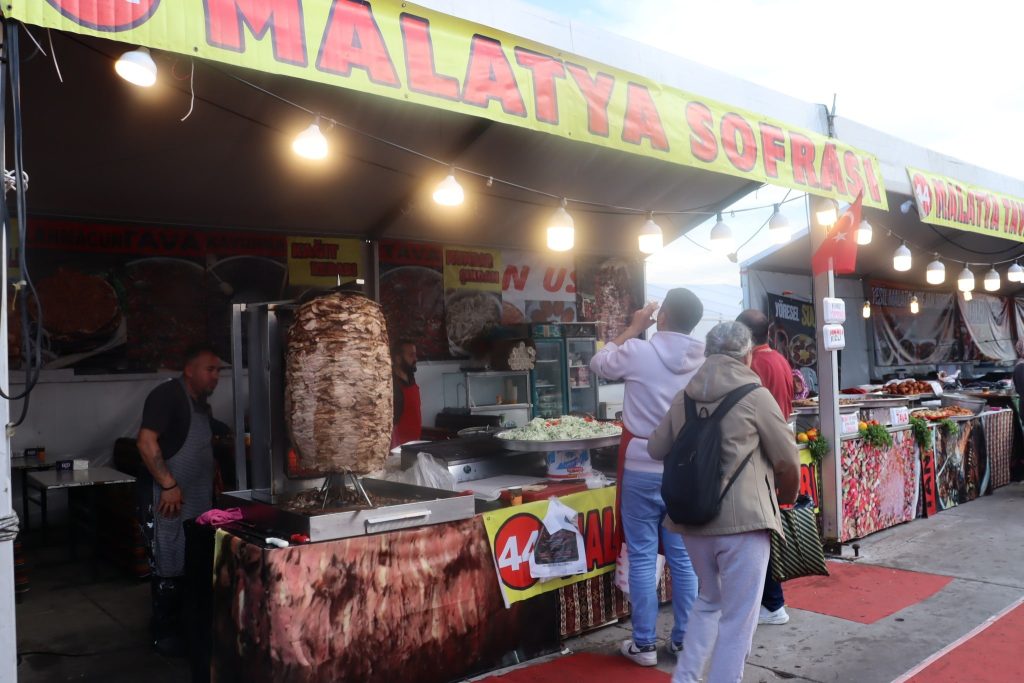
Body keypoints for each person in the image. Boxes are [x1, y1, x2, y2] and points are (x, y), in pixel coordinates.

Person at [649, 321, 799, 683]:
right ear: (747, 355)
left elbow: (656, 447)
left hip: (692, 520)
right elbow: (787, 458)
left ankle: (685, 678)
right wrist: (787, 497)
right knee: (738, 618)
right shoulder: (755, 395)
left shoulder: (685, 396)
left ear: (708, 353)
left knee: (709, 601)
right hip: (744, 522)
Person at [590, 289, 705, 666]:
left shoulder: (639, 351)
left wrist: (633, 326)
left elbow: (598, 362)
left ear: (663, 316)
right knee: (683, 558)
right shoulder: (703, 359)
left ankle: (643, 645)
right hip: (683, 468)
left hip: (641, 465)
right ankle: (684, 640)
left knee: (641, 554)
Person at [136, 345, 222, 655]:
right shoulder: (168, 395)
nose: (216, 376)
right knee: (168, 563)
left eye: (218, 371)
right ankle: (164, 634)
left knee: (191, 563)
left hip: (195, 499)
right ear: (189, 370)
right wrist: (168, 484)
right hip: (167, 500)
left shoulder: (201, 405)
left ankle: (188, 629)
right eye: (210, 369)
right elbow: (146, 442)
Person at [736, 308, 795, 626]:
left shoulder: (753, 364)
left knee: (758, 533)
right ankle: (770, 601)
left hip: (759, 454)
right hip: (773, 451)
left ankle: (772, 602)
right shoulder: (780, 361)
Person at [391, 340, 422, 447]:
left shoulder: (411, 379)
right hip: (398, 448)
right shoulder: (391, 385)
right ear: (398, 359)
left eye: (415, 355)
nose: (415, 359)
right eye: (411, 355)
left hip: (414, 444)